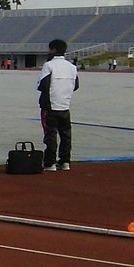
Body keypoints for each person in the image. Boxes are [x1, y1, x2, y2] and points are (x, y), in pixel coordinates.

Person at [38, 38, 79, 172]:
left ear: (53, 50)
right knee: (66, 135)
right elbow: (76, 85)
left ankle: (50, 163)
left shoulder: (49, 65)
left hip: (50, 106)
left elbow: (43, 84)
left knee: (50, 135)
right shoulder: (72, 67)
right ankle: (65, 161)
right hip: (65, 106)